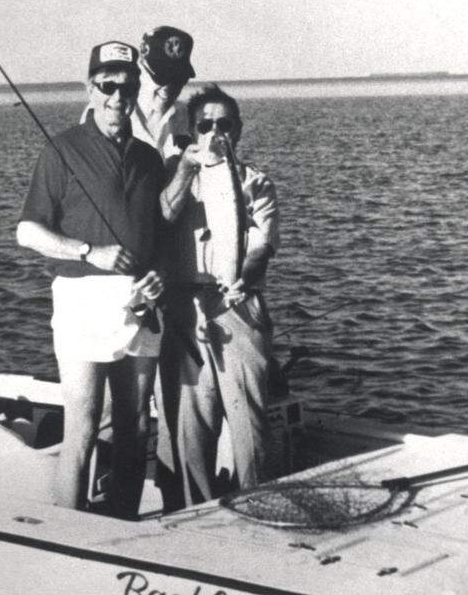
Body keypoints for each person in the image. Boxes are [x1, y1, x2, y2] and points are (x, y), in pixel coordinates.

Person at [16, 41, 166, 519]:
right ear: (90, 88)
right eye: (107, 86)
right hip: (82, 300)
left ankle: (122, 524)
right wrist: (88, 252)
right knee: (80, 425)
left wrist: (155, 278)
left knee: (136, 426)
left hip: (140, 303)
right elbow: (28, 231)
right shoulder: (61, 149)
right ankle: (67, 532)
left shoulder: (148, 158)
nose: (117, 97)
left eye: (127, 87)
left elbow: (157, 237)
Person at [156, 85, 279, 510]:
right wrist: (187, 170)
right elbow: (161, 217)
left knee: (250, 425)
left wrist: (239, 278)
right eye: (204, 125)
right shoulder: (174, 175)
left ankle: (258, 507)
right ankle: (193, 518)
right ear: (191, 131)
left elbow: (262, 247)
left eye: (223, 125)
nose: (214, 133)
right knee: (187, 428)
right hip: (183, 310)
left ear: (238, 130)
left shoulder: (255, 183)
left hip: (238, 309)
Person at [82, 26, 196, 164]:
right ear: (140, 71)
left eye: (178, 79)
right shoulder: (107, 112)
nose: (168, 88)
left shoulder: (185, 115)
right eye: (161, 78)